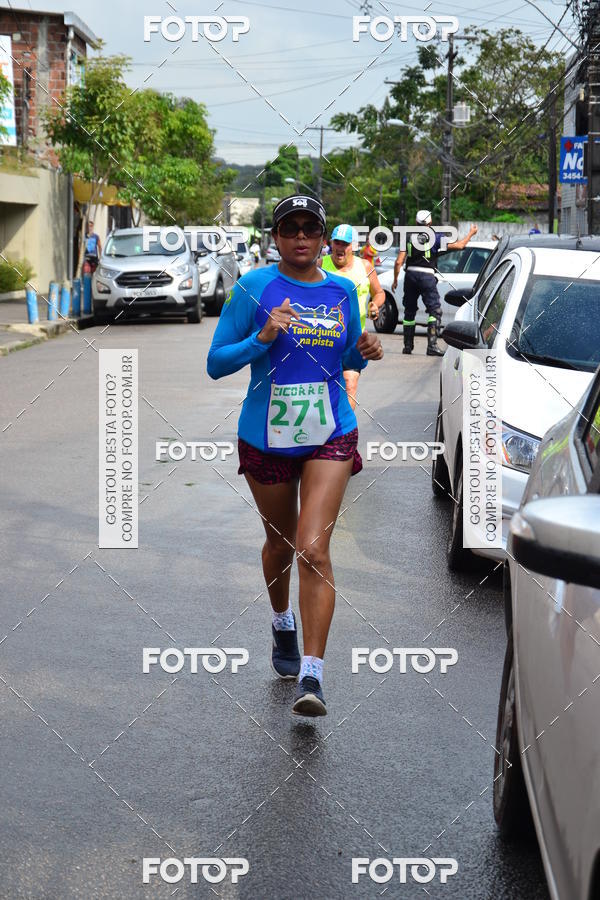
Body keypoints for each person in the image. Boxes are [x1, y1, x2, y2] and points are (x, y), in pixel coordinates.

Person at [207, 195, 383, 717]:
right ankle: (282, 621)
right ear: (276, 237)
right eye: (290, 228)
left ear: (324, 238)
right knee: (280, 544)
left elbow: (347, 354)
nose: (301, 237)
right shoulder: (253, 287)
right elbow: (216, 362)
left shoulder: (341, 290)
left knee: (313, 550)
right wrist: (262, 337)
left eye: (310, 228)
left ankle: (312, 676)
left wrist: (366, 351)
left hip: (330, 431)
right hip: (267, 437)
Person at [392, 210, 477, 357]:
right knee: (434, 310)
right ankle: (432, 346)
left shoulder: (408, 237)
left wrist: (395, 280)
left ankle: (407, 346)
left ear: (416, 223)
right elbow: (459, 246)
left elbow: (399, 261)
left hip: (410, 275)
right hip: (427, 276)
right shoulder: (436, 237)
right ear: (430, 222)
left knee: (409, 311)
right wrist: (471, 233)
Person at [320, 224, 385, 409]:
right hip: (324, 338)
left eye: (345, 244)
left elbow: (379, 293)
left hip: (354, 340)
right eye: (337, 242)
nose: (340, 248)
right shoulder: (320, 265)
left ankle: (344, 425)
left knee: (349, 384)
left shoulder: (365, 266)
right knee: (323, 389)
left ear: (354, 246)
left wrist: (375, 304)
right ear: (331, 243)